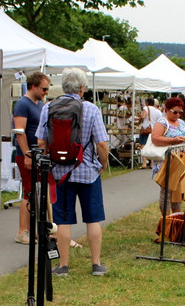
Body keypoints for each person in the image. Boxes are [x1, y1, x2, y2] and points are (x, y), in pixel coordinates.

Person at [36, 68, 110, 277]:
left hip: (61, 173)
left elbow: (41, 141)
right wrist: (101, 163)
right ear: (82, 88)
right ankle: (96, 264)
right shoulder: (91, 109)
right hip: (87, 172)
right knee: (92, 219)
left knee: (63, 220)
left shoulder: (49, 107)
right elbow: (102, 144)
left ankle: (63, 266)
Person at [11, 71, 51, 244]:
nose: (45, 92)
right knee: (28, 191)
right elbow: (20, 132)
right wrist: (27, 154)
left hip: (38, 154)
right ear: (33, 86)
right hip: (27, 154)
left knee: (38, 191)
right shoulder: (22, 104)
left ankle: (32, 228)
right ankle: (22, 231)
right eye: (43, 89)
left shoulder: (39, 104)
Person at [150, 96, 185, 212]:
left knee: (178, 190)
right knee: (167, 190)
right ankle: (167, 219)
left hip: (182, 160)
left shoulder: (181, 122)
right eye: (175, 112)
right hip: (167, 161)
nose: (178, 115)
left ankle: (176, 215)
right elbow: (155, 139)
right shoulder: (162, 122)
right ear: (167, 109)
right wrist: (173, 140)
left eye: (180, 112)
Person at [137, 97, 162, 168]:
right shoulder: (157, 110)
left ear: (147, 102)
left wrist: (139, 121)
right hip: (153, 129)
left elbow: (143, 116)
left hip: (145, 129)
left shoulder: (146, 108)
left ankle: (144, 163)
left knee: (143, 145)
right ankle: (152, 163)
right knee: (151, 146)